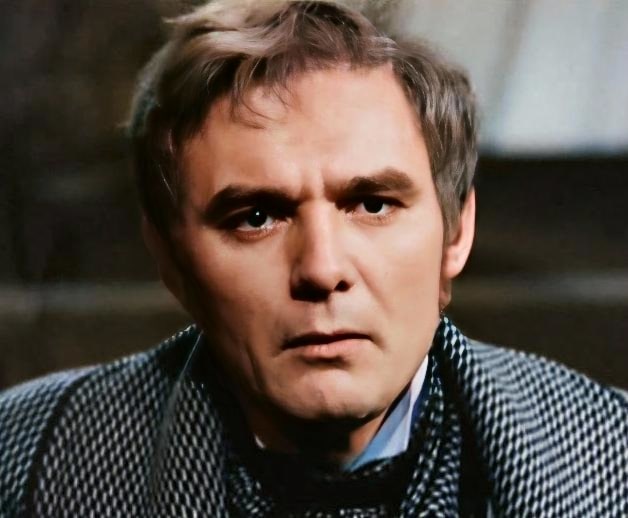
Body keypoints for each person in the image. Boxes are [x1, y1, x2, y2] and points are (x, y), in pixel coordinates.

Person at [1, 1, 626, 516]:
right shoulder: (22, 461)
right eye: (256, 217)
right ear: (169, 257)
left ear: (456, 232)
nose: (323, 270)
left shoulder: (611, 457)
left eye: (373, 205)